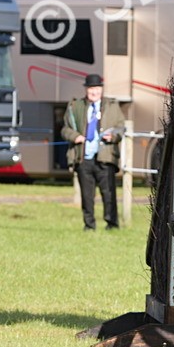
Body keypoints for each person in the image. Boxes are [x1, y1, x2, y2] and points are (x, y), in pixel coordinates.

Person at [62, 74, 125, 231]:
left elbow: (121, 127)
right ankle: (89, 225)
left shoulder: (112, 106)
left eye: (96, 88)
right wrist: (75, 137)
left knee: (109, 193)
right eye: (91, 88)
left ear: (101, 89)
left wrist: (114, 136)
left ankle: (112, 224)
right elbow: (65, 129)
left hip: (105, 157)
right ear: (86, 89)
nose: (94, 92)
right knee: (87, 195)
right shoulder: (76, 106)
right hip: (84, 158)